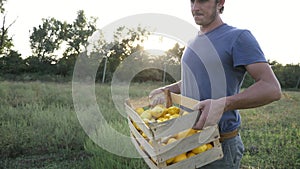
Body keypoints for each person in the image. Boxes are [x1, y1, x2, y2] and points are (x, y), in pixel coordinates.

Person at [148, 0, 282, 168]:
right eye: (192, 1)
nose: (195, 7)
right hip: (184, 141)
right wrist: (168, 89)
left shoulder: (238, 37)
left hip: (219, 144)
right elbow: (194, 80)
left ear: (220, 3)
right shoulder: (192, 42)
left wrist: (224, 104)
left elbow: (271, 88)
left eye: (203, 1)